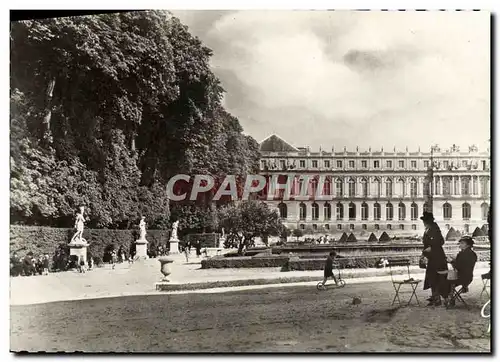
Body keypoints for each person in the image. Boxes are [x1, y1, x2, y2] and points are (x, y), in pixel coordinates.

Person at [420, 211, 449, 306]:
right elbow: (426, 243)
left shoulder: (435, 228)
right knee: (431, 278)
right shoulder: (428, 229)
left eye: (425, 221)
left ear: (429, 221)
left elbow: (441, 241)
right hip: (432, 258)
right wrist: (424, 254)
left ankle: (437, 298)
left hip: (438, 257)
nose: (424, 223)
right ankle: (435, 296)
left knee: (437, 278)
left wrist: (431, 248)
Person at [446, 236, 477, 306]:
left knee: (443, 280)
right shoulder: (472, 254)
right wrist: (454, 260)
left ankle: (450, 299)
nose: (460, 244)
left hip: (461, 277)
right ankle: (452, 297)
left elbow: (458, 267)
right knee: (446, 279)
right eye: (460, 243)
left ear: (468, 245)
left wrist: (451, 261)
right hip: (468, 277)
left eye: (462, 243)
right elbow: (463, 265)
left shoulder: (463, 254)